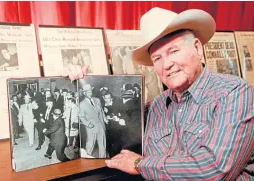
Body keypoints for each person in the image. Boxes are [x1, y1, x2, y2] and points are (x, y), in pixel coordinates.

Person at [61, 7, 254, 180]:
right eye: (158, 58)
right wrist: (81, 82)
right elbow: (109, 124)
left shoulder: (234, 93)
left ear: (197, 47)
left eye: (173, 51)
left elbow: (215, 169)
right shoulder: (157, 106)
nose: (166, 64)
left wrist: (140, 165)